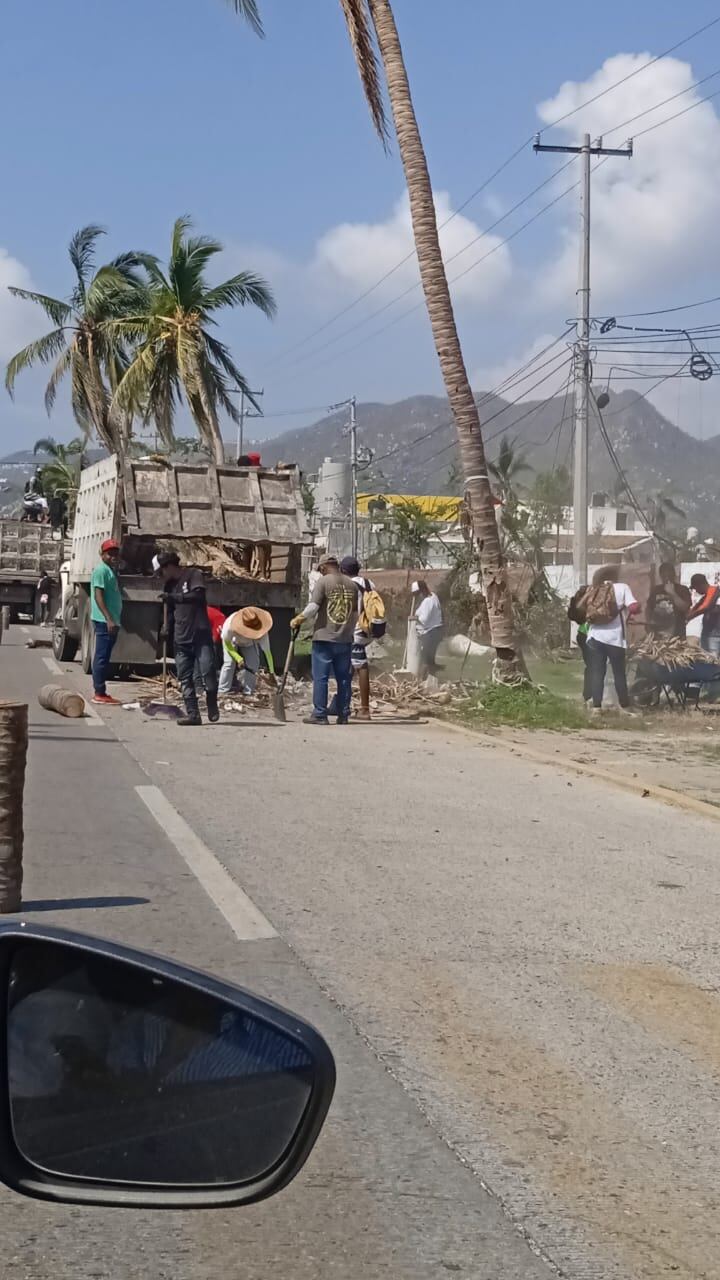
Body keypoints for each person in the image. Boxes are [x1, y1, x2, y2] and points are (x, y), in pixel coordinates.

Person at [291, 554, 358, 725]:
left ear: (323, 567)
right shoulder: (352, 584)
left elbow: (313, 607)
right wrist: (347, 632)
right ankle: (343, 714)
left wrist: (299, 618)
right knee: (344, 678)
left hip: (324, 638)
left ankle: (320, 714)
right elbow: (355, 614)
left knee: (321, 677)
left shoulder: (323, 582)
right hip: (345, 639)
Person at [156, 552, 219, 726]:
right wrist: (165, 627)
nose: (161, 576)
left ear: (169, 567)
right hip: (181, 636)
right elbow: (169, 610)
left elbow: (198, 597)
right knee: (185, 677)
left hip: (200, 634)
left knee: (207, 671)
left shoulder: (193, 575)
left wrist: (176, 597)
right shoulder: (168, 586)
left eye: (162, 571)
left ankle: (212, 700)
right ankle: (193, 714)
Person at [584, 564, 640, 714]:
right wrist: (636, 608)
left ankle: (596, 707)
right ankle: (625, 706)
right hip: (615, 639)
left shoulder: (594, 588)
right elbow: (633, 607)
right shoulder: (622, 587)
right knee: (619, 673)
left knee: (597, 672)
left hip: (594, 636)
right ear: (616, 576)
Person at [338, 555, 376, 721]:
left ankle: (364, 709)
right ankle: (340, 702)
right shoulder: (369, 583)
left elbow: (349, 609)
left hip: (356, 629)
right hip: (368, 628)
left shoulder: (349, 585)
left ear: (343, 571)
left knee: (359, 666)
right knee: (352, 664)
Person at [90, 538, 123, 705]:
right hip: (104, 621)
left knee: (105, 656)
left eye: (116, 553)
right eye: (110, 553)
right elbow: (98, 596)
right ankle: (99, 692)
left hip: (112, 621)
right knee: (101, 656)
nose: (114, 556)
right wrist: (109, 619)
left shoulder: (110, 570)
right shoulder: (101, 571)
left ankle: (101, 691)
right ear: (102, 554)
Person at [219, 607, 276, 698]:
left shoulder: (262, 631)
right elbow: (227, 644)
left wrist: (272, 672)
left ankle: (248, 692)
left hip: (249, 643)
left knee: (253, 664)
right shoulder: (229, 626)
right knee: (229, 663)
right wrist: (238, 658)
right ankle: (222, 691)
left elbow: (267, 652)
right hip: (232, 642)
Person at [646, 563, 691, 639]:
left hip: (677, 633)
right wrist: (648, 624)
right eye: (664, 576)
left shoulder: (682, 589)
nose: (667, 578)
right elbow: (649, 609)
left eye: (669, 575)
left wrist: (672, 593)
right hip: (658, 632)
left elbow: (685, 608)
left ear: (674, 575)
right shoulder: (656, 590)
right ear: (661, 576)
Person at [412, 579, 444, 679]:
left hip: (431, 632)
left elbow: (424, 620)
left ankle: (422, 680)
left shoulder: (428, 601)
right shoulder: (434, 596)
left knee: (425, 659)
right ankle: (431, 678)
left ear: (422, 591)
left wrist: (414, 618)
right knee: (429, 658)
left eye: (418, 594)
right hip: (436, 631)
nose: (417, 597)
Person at [567, 585, 592, 703]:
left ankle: (588, 694)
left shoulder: (583, 603)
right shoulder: (586, 604)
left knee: (591, 667)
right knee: (593, 667)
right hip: (587, 635)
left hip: (582, 635)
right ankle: (588, 695)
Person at [687, 574, 720, 655]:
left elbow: (706, 607)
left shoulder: (714, 592)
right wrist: (688, 616)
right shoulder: (705, 597)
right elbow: (697, 607)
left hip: (714, 635)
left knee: (711, 660)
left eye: (695, 588)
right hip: (709, 634)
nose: (696, 591)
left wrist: (691, 616)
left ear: (700, 585)